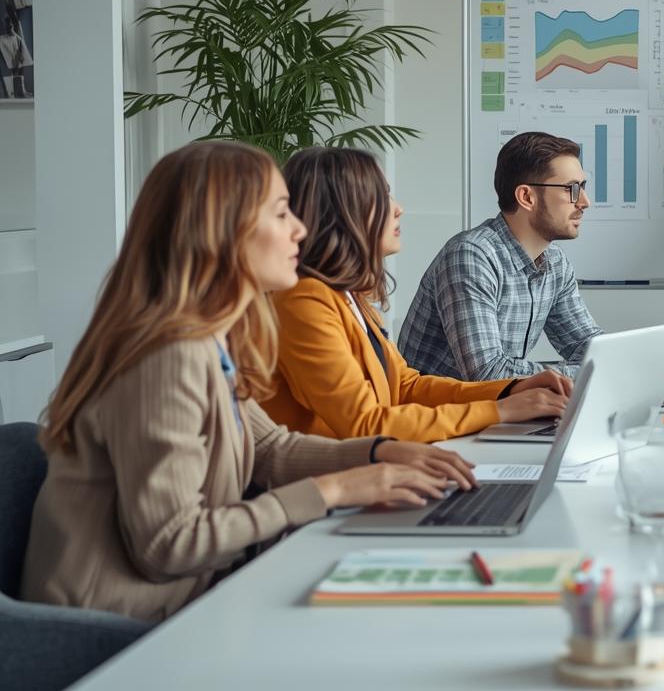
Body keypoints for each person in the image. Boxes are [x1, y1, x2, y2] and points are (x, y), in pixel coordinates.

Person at [23, 141, 474, 623]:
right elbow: (168, 545)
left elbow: (269, 447)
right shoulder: (165, 357)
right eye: (282, 214)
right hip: (114, 632)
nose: (300, 228)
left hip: (184, 600)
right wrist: (335, 491)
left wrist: (377, 454)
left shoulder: (206, 338)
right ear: (221, 233)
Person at [264, 147, 573, 443]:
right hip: (330, 478)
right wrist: (499, 411)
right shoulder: (304, 301)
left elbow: (404, 386)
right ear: (342, 213)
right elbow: (364, 423)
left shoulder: (348, 295)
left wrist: (510, 390)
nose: (398, 208)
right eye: (383, 196)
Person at [400, 131, 664, 383]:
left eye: (583, 187)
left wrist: (653, 363)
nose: (585, 202)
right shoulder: (471, 257)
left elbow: (583, 344)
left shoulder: (554, 263)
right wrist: (618, 369)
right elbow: (487, 374)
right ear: (527, 197)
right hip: (438, 428)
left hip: (498, 417)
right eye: (571, 189)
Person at [0, 13, 30, 98]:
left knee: (19, 70)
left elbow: (18, 40)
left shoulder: (17, 35)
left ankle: (21, 91)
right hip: (12, 47)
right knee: (15, 71)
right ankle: (18, 91)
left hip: (16, 46)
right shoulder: (5, 35)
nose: (9, 25)